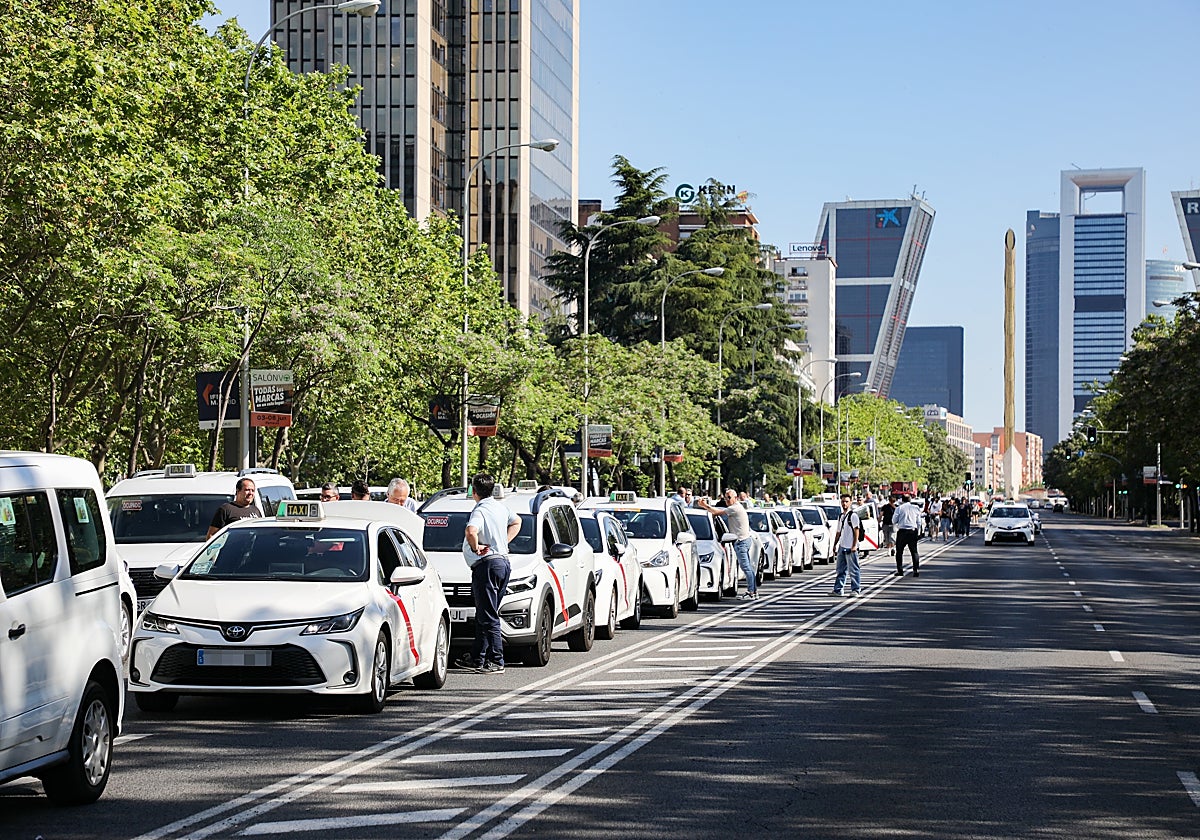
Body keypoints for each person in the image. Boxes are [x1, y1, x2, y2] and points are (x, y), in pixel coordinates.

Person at [457, 473, 520, 674]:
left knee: (488, 615)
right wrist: (503, 541)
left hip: (487, 566)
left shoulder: (481, 510)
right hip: (502, 563)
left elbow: (471, 531)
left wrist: (475, 547)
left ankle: (496, 660)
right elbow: (517, 522)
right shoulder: (500, 507)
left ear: (474, 491)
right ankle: (478, 657)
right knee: (484, 614)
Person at [698, 489, 756, 599]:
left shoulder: (735, 508)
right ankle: (753, 591)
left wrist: (704, 505)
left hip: (741, 542)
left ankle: (751, 592)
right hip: (744, 540)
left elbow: (716, 512)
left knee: (746, 568)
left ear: (736, 498)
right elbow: (718, 510)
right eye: (725, 498)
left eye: (729, 497)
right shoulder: (735, 507)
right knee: (748, 567)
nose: (727, 500)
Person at [831, 493, 861, 596]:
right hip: (842, 546)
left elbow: (856, 530)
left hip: (850, 547)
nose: (844, 504)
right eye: (843, 501)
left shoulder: (853, 516)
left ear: (850, 502)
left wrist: (854, 545)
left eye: (846, 501)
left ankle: (855, 589)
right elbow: (838, 532)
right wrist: (835, 544)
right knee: (840, 570)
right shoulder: (841, 516)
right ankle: (838, 590)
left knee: (853, 570)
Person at [892, 494, 922, 577]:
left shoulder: (899, 508)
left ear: (902, 500)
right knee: (914, 551)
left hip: (902, 531)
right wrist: (918, 531)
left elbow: (894, 520)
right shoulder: (915, 508)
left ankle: (900, 570)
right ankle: (916, 570)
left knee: (899, 552)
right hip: (912, 531)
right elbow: (919, 522)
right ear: (910, 500)